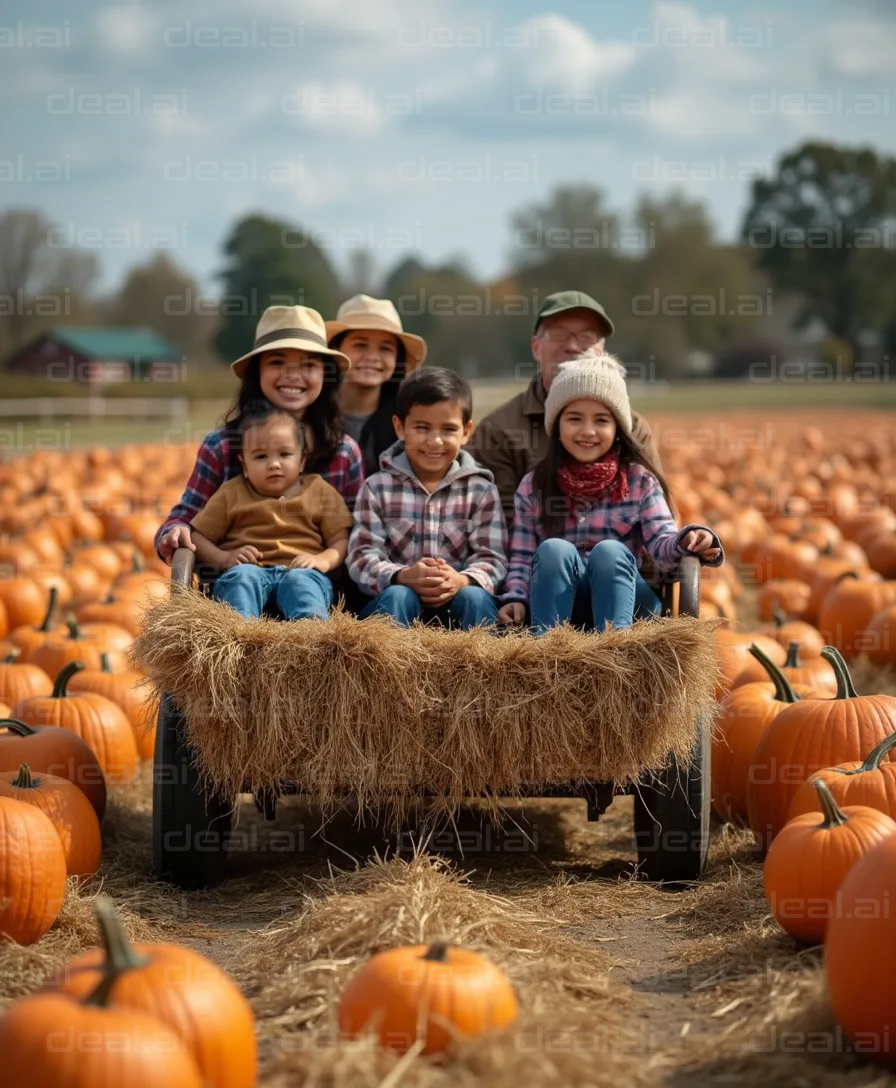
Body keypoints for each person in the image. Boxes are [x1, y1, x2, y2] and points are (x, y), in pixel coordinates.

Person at [497, 350, 723, 635]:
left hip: (628, 602)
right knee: (553, 550)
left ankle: (616, 652)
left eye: (601, 421)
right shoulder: (534, 486)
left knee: (610, 552)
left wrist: (688, 540)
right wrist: (515, 597)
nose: (588, 431)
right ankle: (547, 654)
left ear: (618, 428)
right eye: (575, 419)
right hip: (566, 604)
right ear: (556, 426)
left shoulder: (639, 481)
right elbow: (521, 558)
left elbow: (662, 545)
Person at [155, 305, 363, 562]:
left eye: (308, 364)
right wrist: (176, 530)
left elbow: (358, 532)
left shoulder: (343, 451)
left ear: (325, 375)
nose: (293, 375)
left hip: (320, 588)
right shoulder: (221, 446)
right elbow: (186, 517)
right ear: (258, 372)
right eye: (277, 362)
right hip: (235, 583)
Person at [471, 290, 660, 523]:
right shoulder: (498, 430)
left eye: (587, 335)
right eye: (559, 334)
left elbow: (656, 514)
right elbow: (496, 524)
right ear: (536, 347)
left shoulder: (632, 427)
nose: (572, 345)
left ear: (601, 350)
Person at [347, 368, 507, 630]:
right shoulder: (377, 487)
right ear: (400, 427)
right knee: (399, 595)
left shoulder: (481, 490)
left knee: (475, 598)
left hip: (457, 599)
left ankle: (481, 671)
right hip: (398, 602)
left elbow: (492, 558)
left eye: (448, 429)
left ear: (466, 431)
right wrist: (401, 576)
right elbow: (362, 556)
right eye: (421, 427)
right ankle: (389, 671)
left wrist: (461, 581)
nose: (434, 441)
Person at [189, 403, 353, 620]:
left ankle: (311, 638)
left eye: (284, 454)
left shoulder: (319, 491)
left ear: (302, 459)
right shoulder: (231, 493)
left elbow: (340, 540)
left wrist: (323, 559)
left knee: (303, 584)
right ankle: (240, 635)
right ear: (244, 465)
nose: (274, 464)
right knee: (241, 578)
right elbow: (197, 537)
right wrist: (225, 558)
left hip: (301, 570)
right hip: (250, 569)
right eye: (260, 457)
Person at [327, 294, 427, 476]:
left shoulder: (409, 418)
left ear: (398, 359)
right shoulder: (313, 412)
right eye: (360, 345)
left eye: (385, 348)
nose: (372, 357)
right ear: (336, 350)